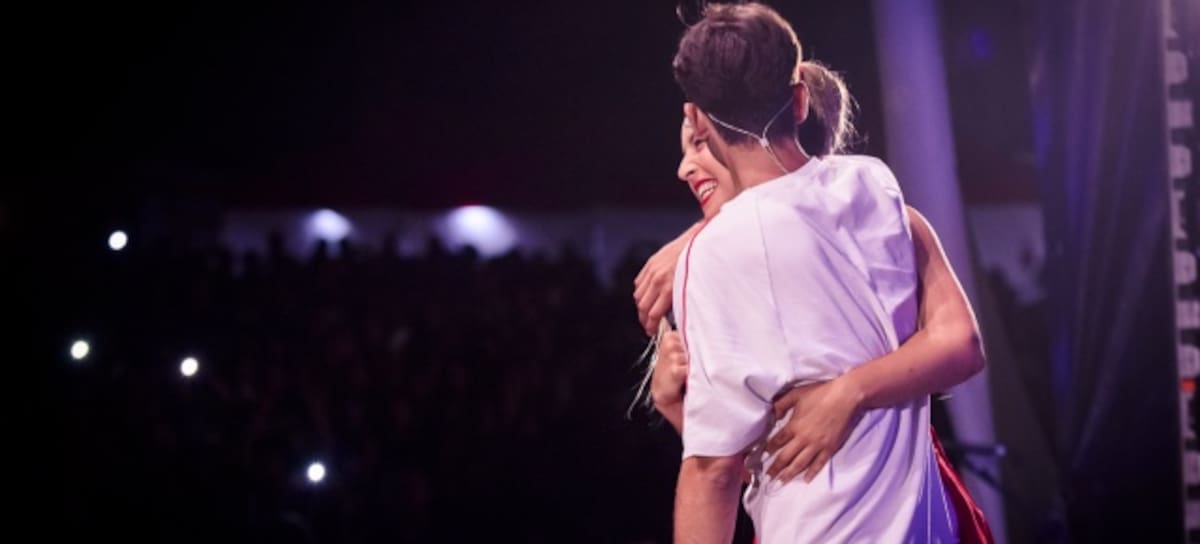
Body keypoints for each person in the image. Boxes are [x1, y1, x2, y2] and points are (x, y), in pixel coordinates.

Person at [654, 4, 984, 541]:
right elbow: (962, 343)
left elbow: (715, 472)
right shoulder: (877, 187)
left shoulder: (714, 254)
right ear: (799, 98)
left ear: (699, 120)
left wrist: (695, 245)